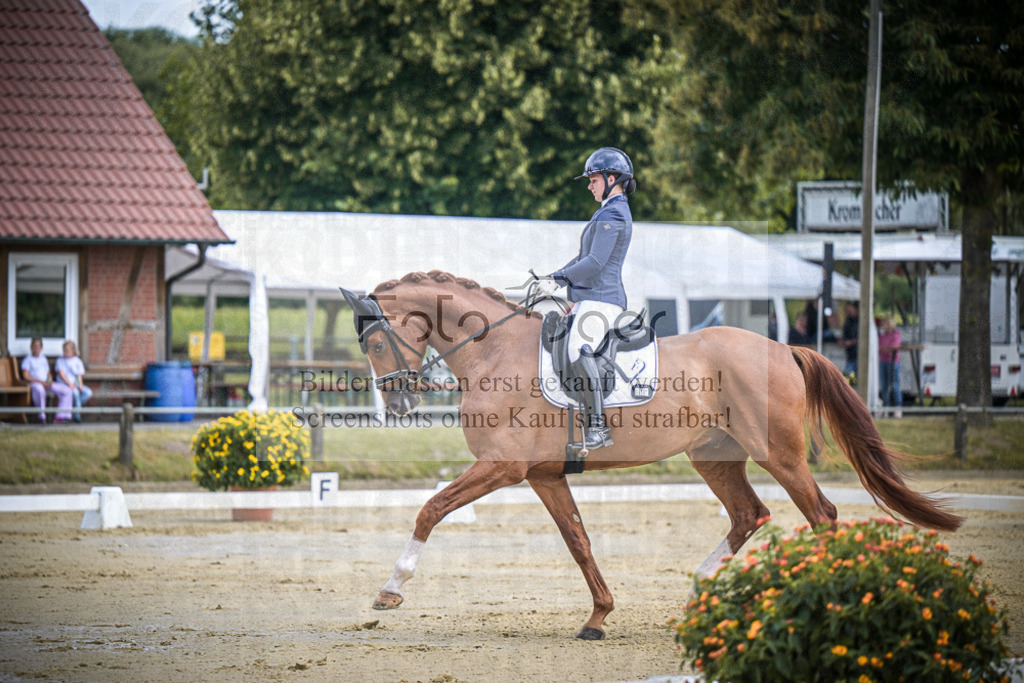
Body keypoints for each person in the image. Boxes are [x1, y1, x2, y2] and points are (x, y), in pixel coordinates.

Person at [534, 147, 635, 450]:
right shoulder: (605, 212)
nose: (589, 185)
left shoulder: (614, 213)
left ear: (612, 177)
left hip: (604, 299)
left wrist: (560, 280)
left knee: (579, 347)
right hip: (591, 299)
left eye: (593, 179)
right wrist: (551, 278)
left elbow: (596, 262)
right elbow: (582, 258)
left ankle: (598, 427)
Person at [20, 337, 73, 423]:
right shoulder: (28, 359)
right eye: (34, 346)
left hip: (46, 383)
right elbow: (25, 376)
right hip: (35, 383)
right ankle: (41, 416)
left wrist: (50, 380)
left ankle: (61, 416)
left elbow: (48, 373)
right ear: (31, 347)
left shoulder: (43, 358)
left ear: (41, 348)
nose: (36, 348)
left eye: (38, 346)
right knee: (40, 390)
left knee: (67, 390)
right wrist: (41, 382)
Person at [55, 340, 92, 423]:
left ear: (73, 350)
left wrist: (80, 385)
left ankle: (71, 407)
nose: (65, 352)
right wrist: (70, 384)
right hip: (64, 384)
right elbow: (61, 374)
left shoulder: (77, 361)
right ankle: (77, 416)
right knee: (75, 393)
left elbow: (79, 375)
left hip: (75, 384)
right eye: (64, 350)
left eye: (67, 350)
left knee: (88, 392)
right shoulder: (60, 360)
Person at [877, 316, 902, 416]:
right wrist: (885, 349)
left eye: (885, 324)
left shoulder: (896, 335)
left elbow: (894, 347)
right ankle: (885, 406)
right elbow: (879, 347)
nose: (883, 326)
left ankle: (898, 407)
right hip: (883, 361)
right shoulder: (882, 336)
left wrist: (884, 349)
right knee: (884, 386)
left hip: (893, 362)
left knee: (895, 384)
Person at [837, 301, 859, 378]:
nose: (849, 311)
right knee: (848, 380)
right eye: (848, 309)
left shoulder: (862, 321)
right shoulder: (848, 321)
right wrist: (842, 341)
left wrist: (850, 342)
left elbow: (863, 338)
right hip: (850, 356)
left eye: (850, 309)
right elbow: (844, 334)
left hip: (860, 357)